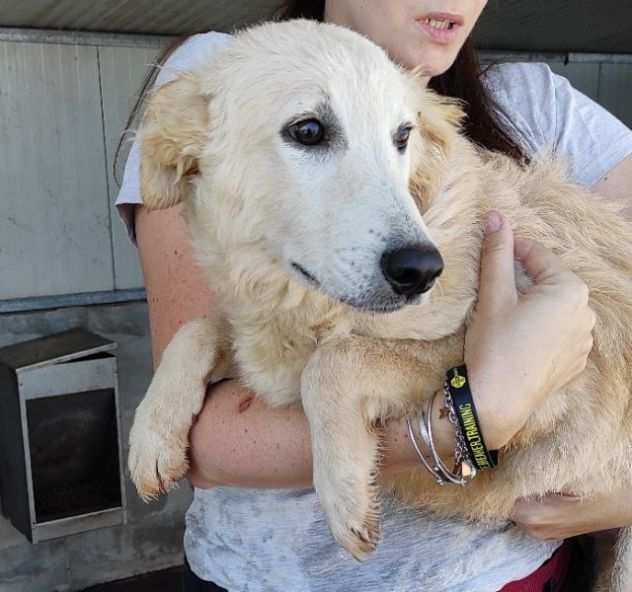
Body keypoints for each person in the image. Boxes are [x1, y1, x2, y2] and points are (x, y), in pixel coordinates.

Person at [115, 1, 632, 590]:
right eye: (310, 133)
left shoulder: (535, 102)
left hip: (515, 572)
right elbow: (207, 446)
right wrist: (473, 415)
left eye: (402, 138)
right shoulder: (233, 72)